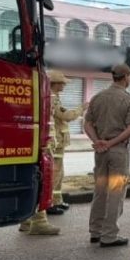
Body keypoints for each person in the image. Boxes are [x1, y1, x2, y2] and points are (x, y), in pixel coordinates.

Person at [83, 64, 130, 248]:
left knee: (100, 190)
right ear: (125, 77)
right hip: (117, 152)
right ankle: (109, 236)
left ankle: (95, 231)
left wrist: (98, 141)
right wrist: (111, 143)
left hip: (100, 152)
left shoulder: (98, 97)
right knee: (115, 192)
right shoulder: (127, 99)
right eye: (129, 77)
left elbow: (87, 123)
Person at [19, 95, 61, 236]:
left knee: (30, 181)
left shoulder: (29, 104)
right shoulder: (42, 106)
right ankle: (39, 223)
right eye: (52, 104)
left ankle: (26, 220)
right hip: (40, 147)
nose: (54, 107)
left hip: (29, 145)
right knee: (42, 183)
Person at [47, 70, 87, 215]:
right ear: (55, 84)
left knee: (59, 172)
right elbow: (66, 116)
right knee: (55, 172)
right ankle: (49, 203)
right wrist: (81, 108)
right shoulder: (52, 98)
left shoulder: (55, 97)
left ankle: (56, 200)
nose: (64, 85)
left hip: (58, 141)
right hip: (55, 141)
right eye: (62, 82)